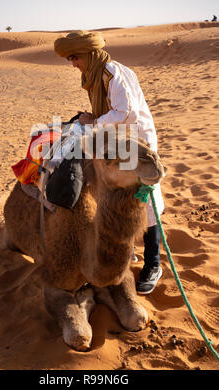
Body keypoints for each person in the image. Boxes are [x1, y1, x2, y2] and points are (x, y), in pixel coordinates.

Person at [54, 30, 164, 294]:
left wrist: (94, 122)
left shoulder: (112, 73)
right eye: (70, 59)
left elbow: (126, 112)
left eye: (74, 57)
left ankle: (154, 264)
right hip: (115, 143)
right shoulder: (96, 75)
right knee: (116, 199)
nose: (73, 64)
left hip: (135, 144)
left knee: (144, 203)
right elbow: (113, 111)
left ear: (87, 54)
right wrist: (92, 118)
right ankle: (127, 253)